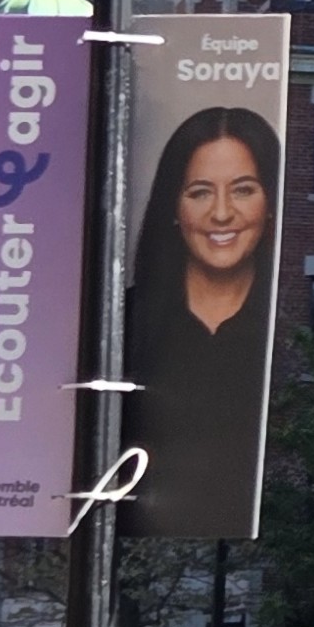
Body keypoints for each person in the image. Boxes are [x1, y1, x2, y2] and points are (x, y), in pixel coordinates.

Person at [124, 107, 281, 538]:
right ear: (174, 207)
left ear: (270, 202)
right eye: (200, 192)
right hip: (141, 548)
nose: (222, 213)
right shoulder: (124, 325)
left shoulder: (290, 327)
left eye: (243, 190)